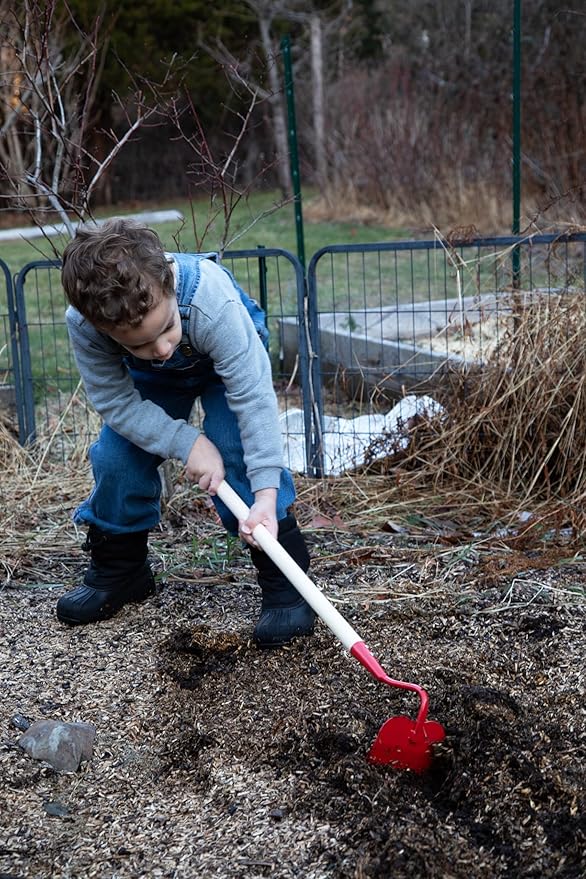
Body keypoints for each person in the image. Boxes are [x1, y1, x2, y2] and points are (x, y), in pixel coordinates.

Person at [56, 217, 315, 648]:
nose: (161, 349)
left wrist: (266, 494)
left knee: (234, 451)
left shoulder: (210, 299)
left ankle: (286, 582)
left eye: (166, 328)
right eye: (139, 344)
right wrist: (187, 442)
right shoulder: (87, 324)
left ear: (169, 287)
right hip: (153, 382)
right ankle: (121, 571)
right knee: (117, 459)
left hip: (224, 365)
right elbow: (116, 402)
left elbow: (252, 397)